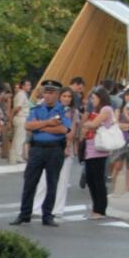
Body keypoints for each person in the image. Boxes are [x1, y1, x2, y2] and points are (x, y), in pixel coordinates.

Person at [11, 80, 70, 227]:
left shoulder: (63, 110)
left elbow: (63, 130)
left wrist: (40, 126)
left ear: (57, 94)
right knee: (30, 181)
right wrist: (49, 123)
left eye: (52, 93)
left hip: (55, 149)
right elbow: (28, 126)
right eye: (46, 92)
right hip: (37, 149)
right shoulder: (37, 108)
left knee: (52, 183)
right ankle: (24, 214)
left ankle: (47, 215)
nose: (48, 96)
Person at [32, 87, 79, 218]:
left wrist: (67, 146)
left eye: (69, 97)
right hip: (48, 146)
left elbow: (71, 132)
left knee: (62, 181)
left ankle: (57, 209)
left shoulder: (73, 112)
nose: (66, 99)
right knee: (43, 179)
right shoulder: (50, 109)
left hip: (64, 148)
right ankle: (37, 208)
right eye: (64, 96)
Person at [81, 87, 115, 220]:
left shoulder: (106, 109)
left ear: (100, 98)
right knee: (90, 179)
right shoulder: (97, 110)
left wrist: (88, 124)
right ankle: (96, 207)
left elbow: (92, 124)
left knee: (98, 180)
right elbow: (87, 126)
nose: (91, 101)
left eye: (93, 98)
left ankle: (100, 209)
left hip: (99, 150)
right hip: (90, 148)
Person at [10, 79, 31, 165]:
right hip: (21, 117)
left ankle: (14, 155)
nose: (29, 87)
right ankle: (18, 156)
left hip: (21, 117)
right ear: (23, 86)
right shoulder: (21, 94)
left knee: (17, 137)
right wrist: (12, 116)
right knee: (20, 138)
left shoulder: (23, 94)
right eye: (28, 85)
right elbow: (18, 107)